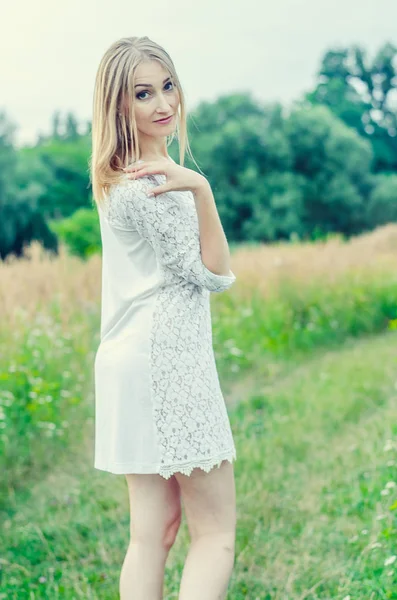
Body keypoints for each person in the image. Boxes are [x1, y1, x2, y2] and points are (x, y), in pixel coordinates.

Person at [89, 36, 237, 600]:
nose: (162, 103)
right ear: (117, 106)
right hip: (167, 362)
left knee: (150, 535)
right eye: (142, 93)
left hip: (126, 362)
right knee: (215, 533)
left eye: (167, 86)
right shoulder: (159, 183)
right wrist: (201, 189)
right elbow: (213, 274)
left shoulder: (116, 179)